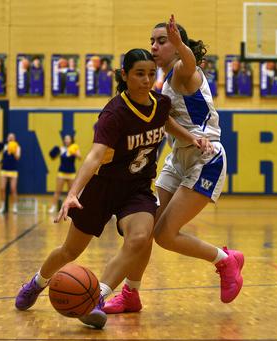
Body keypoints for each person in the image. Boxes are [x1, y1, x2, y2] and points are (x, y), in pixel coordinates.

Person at [15, 48, 211, 329]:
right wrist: (72, 193)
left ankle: (97, 299)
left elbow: (166, 123)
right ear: (125, 75)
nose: (146, 80)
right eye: (139, 74)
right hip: (103, 188)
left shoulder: (160, 103)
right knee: (69, 251)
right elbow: (95, 156)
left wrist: (192, 136)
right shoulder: (114, 113)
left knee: (141, 236)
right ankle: (37, 282)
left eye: (150, 74)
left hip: (137, 189)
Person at [102, 15, 244, 315]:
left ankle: (224, 259)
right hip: (178, 157)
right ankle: (131, 293)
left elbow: (189, 62)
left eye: (161, 41)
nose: (154, 46)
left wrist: (180, 45)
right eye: (152, 41)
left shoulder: (182, 70)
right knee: (146, 225)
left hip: (205, 158)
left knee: (165, 234)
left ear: (177, 46)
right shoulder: (161, 80)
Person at [48, 135, 81, 214]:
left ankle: (71, 210)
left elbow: (80, 157)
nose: (66, 140)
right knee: (57, 191)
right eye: (65, 139)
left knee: (71, 193)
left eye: (68, 139)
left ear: (71, 140)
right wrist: (53, 151)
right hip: (61, 173)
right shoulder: (61, 149)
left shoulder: (75, 147)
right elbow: (52, 156)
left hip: (71, 173)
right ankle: (53, 207)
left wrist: (74, 153)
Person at [0, 133, 21, 214]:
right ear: (7, 138)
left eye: (12, 137)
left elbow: (18, 157)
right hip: (4, 169)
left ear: (14, 139)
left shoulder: (17, 146)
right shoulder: (4, 146)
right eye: (9, 137)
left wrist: (13, 151)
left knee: (13, 189)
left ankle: (15, 207)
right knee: (2, 188)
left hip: (13, 170)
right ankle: (2, 206)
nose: (10, 138)